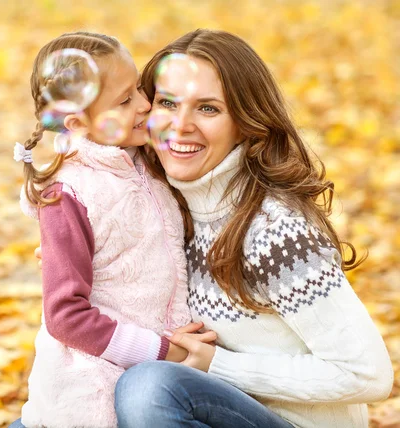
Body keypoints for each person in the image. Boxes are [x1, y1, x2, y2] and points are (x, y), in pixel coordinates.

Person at [111, 29, 394, 428]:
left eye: (207, 109)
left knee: (148, 388)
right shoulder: (164, 207)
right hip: (208, 412)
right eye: (167, 103)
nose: (180, 125)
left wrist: (219, 366)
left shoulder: (276, 230)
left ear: (244, 122)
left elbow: (367, 374)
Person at [9, 31, 217, 428]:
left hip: (155, 381)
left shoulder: (145, 160)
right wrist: (164, 351)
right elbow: (65, 315)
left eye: (139, 87)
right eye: (124, 101)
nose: (143, 104)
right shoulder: (68, 194)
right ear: (78, 124)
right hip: (91, 387)